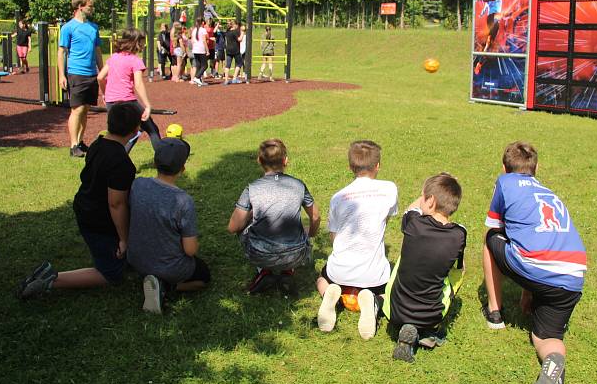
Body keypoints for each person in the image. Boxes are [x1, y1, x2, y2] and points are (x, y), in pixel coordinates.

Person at [481, 141, 587, 384]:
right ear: (537, 167)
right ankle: (553, 362)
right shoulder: (549, 192)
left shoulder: (504, 183)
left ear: (503, 168)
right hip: (572, 278)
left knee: (490, 239)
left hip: (536, 266)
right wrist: (530, 291)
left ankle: (495, 313)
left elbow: (497, 226)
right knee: (545, 338)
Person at [17, 103, 141, 299]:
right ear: (136, 129)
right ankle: (52, 279)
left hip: (85, 207)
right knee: (112, 274)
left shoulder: (98, 144)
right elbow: (116, 204)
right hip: (98, 219)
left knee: (116, 257)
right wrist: (123, 239)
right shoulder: (121, 163)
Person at [316, 140, 398, 340]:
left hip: (339, 271)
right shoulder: (389, 189)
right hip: (374, 275)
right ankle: (374, 302)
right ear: (377, 166)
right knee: (391, 291)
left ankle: (329, 294)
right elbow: (386, 219)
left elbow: (334, 236)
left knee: (320, 278)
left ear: (350, 167)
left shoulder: (338, 197)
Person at [381, 173, 467, 363]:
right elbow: (458, 269)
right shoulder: (459, 234)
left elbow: (411, 208)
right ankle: (429, 331)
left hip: (394, 310)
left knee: (405, 257)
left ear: (429, 202)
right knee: (458, 271)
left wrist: (425, 195)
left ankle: (407, 327)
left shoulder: (413, 223)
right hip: (430, 315)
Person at [127, 137, 210, 314]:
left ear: (155, 163)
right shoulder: (182, 201)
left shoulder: (137, 184)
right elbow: (190, 250)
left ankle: (152, 280)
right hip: (170, 267)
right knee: (203, 276)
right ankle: (167, 286)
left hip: (136, 259)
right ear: (182, 168)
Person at [227, 139, 320, 294]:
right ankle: (287, 272)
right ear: (285, 161)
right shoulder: (298, 185)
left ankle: (264, 272)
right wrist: (310, 234)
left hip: (260, 255)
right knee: (301, 226)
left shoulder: (252, 188)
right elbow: (315, 216)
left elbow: (232, 227)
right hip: (297, 255)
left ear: (259, 161)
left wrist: (251, 212)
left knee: (243, 224)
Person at [97, 28, 162, 153]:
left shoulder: (114, 57)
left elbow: (100, 77)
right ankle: (163, 159)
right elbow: (138, 84)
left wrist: (105, 95)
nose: (144, 45)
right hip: (128, 101)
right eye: (142, 42)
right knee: (151, 128)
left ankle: (117, 158)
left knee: (122, 133)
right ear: (136, 42)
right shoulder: (135, 60)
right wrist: (147, 106)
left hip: (111, 102)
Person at [59, 0, 103, 158]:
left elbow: (97, 51)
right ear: (80, 6)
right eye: (90, 6)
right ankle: (73, 145)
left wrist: (102, 71)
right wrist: (61, 75)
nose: (92, 8)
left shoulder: (93, 28)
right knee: (76, 109)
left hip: (91, 73)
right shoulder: (68, 28)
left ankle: (81, 141)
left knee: (85, 109)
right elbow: (62, 52)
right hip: (76, 73)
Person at [222, 20, 243, 85]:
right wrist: (242, 32)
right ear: (235, 25)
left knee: (228, 65)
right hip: (235, 50)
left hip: (228, 50)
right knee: (239, 63)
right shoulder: (234, 32)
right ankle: (234, 78)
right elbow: (239, 39)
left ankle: (226, 80)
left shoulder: (227, 32)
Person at [190, 18, 208, 86]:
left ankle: (199, 82)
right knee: (205, 65)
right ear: (202, 22)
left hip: (195, 49)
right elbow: (204, 40)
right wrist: (207, 50)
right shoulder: (203, 30)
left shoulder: (194, 30)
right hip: (201, 49)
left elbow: (192, 40)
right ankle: (197, 77)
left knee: (198, 65)